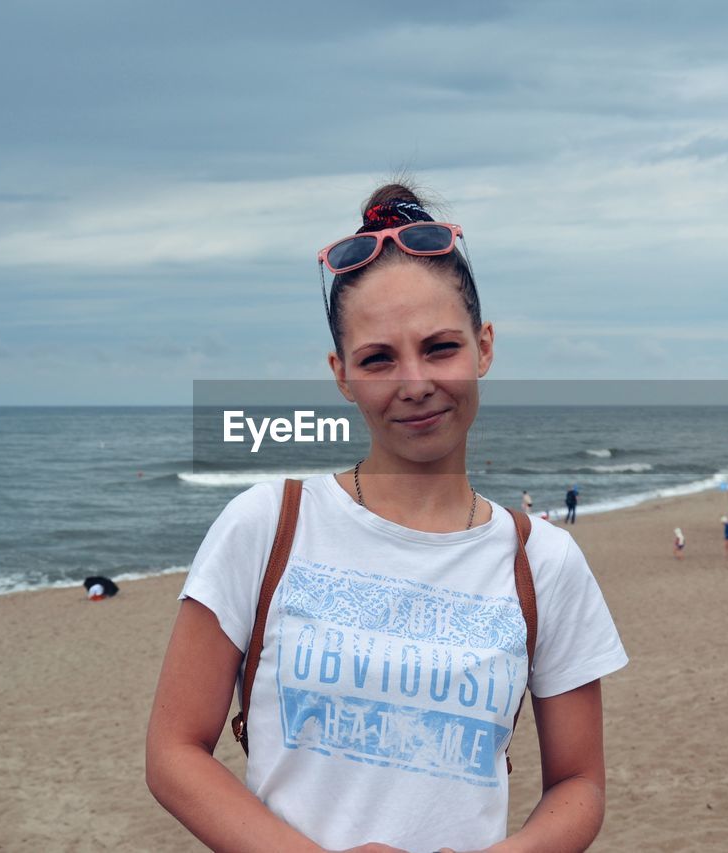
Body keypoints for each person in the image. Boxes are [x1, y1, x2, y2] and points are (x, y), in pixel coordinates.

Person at [146, 183, 628, 853]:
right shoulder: (266, 524)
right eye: (378, 358)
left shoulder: (543, 562)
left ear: (484, 347)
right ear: (341, 373)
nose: (414, 382)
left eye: (440, 348)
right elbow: (174, 751)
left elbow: (580, 782)